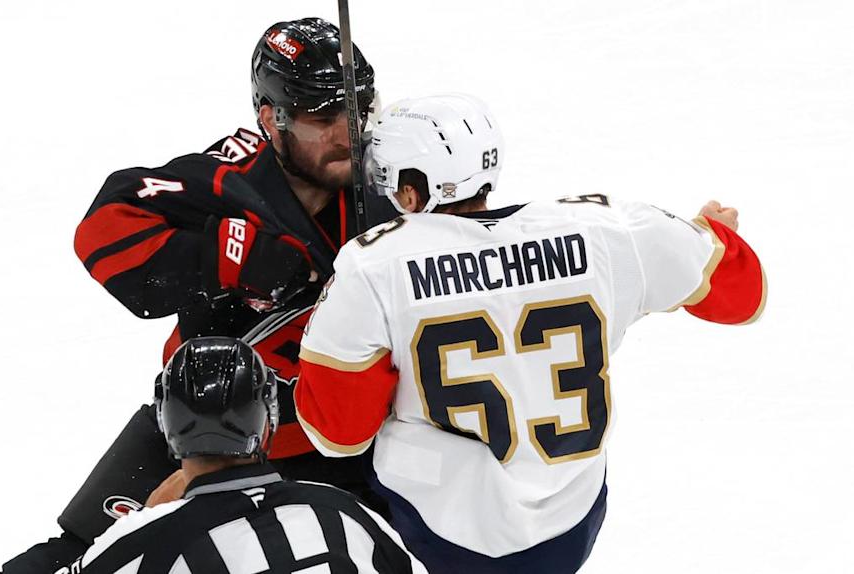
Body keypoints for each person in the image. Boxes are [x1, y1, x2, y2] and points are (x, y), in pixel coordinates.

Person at [294, 93, 767, 573]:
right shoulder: (607, 229)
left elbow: (338, 433)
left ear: (412, 194)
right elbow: (742, 295)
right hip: (570, 525)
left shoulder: (373, 265)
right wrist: (713, 235)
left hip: (440, 533)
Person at [2, 17, 396, 573]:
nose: (346, 133)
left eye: (357, 110)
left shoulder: (394, 181)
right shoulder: (226, 179)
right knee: (76, 556)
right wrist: (231, 258)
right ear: (272, 119)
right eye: (322, 117)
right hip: (203, 440)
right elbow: (103, 226)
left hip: (345, 439)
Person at [54, 337, 427, 574]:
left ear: (167, 425)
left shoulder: (141, 541)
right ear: (269, 423)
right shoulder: (349, 513)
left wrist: (144, 521)